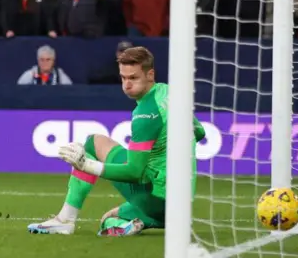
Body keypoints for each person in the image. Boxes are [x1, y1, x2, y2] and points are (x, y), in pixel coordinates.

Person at [27, 47, 206, 236]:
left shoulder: (147, 112)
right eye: (123, 78)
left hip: (156, 198)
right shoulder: (170, 93)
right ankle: (127, 222)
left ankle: (65, 220)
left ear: (150, 74)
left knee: (93, 143)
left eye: (133, 78)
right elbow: (200, 132)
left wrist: (86, 164)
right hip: (180, 207)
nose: (127, 84)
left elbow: (134, 172)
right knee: (108, 219)